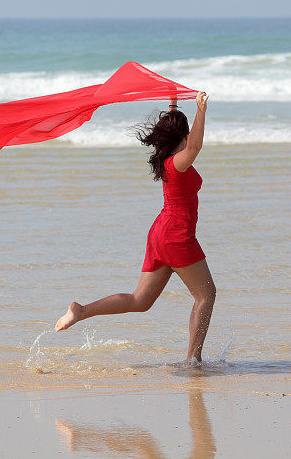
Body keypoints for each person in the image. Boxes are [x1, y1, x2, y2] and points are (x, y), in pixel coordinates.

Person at [55, 91, 216, 365]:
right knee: (206, 295)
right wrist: (201, 108)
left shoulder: (167, 160)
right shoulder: (179, 163)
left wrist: (173, 102)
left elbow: (184, 138)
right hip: (177, 234)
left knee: (139, 301)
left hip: (160, 233)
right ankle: (193, 360)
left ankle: (81, 311)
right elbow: (196, 146)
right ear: (184, 136)